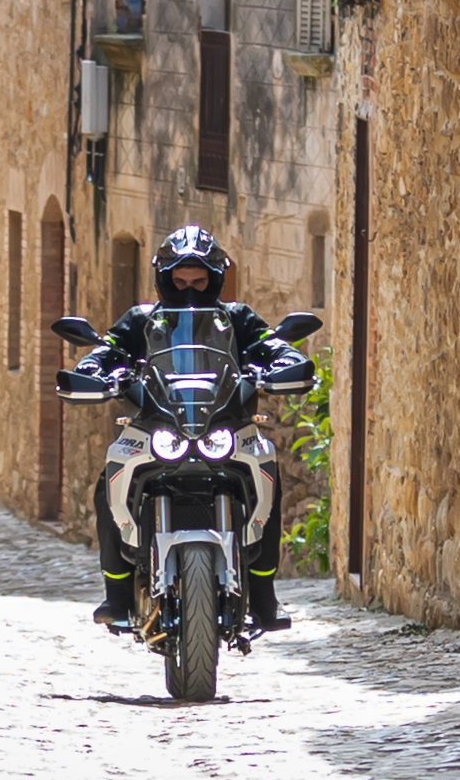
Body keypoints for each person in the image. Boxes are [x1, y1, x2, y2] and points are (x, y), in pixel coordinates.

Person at [76, 223, 308, 634]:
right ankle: (116, 594)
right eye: (179, 282)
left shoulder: (238, 318)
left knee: (268, 472)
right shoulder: (141, 319)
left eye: (199, 282)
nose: (188, 291)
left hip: (227, 425)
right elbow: (107, 350)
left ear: (215, 280)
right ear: (163, 279)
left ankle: (264, 595)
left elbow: (272, 345)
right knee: (107, 480)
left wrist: (285, 364)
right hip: (154, 425)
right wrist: (93, 371)